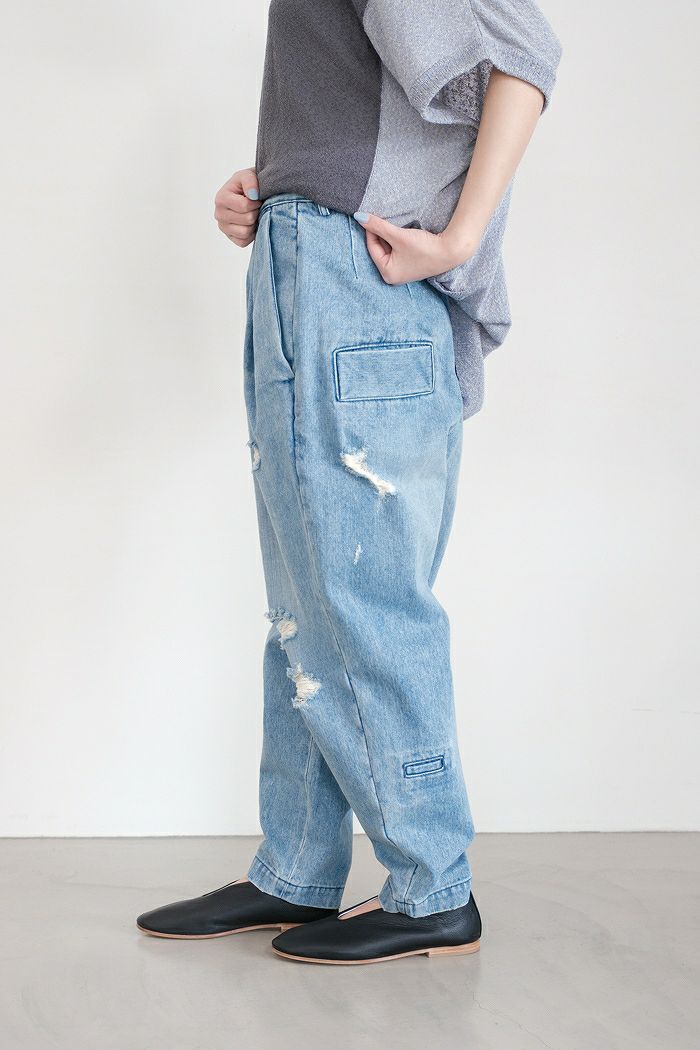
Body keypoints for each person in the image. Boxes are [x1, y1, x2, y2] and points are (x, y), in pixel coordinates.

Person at [137, 0, 562, 965]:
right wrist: (277, 182)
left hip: (347, 279)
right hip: (318, 264)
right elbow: (373, 113)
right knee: (309, 597)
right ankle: (297, 866)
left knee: (361, 597)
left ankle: (431, 886)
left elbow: (525, 58)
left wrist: (458, 237)